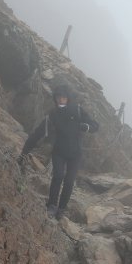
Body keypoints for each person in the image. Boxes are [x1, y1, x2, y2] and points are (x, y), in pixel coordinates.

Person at [18, 84, 99, 219]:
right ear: (55, 99)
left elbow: (95, 125)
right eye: (58, 97)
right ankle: (52, 206)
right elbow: (37, 135)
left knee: (69, 181)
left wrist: (87, 127)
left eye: (63, 97)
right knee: (58, 176)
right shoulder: (53, 115)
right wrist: (23, 153)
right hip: (59, 152)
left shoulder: (77, 110)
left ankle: (61, 209)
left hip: (76, 153)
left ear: (68, 98)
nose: (61, 100)